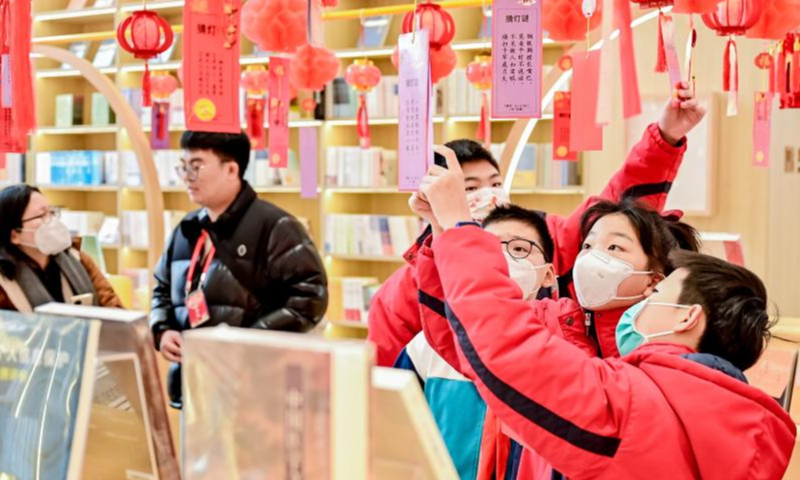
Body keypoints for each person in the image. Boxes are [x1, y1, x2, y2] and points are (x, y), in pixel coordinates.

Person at [415, 150, 796, 480]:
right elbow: (464, 336)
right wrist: (443, 233)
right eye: (587, 246)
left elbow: (502, 342)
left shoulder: (634, 396)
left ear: (680, 310)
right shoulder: (725, 403)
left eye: (614, 248)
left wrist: (460, 228)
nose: (591, 259)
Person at [368, 82, 706, 367]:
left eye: (494, 183)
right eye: (468, 188)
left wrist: (664, 139)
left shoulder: (546, 238)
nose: (488, 195)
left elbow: (619, 208)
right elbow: (396, 372)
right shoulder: (412, 282)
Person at [394, 204, 595, 480]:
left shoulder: (564, 349)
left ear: (548, 274)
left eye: (520, 249)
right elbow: (394, 428)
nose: (504, 258)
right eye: (491, 248)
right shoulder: (427, 346)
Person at [151, 131, 328, 409]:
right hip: (192, 386)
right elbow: (161, 286)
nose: (187, 176)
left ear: (231, 169)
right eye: (183, 166)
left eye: (197, 166)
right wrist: (162, 330)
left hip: (254, 392)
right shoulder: (187, 229)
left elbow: (310, 298)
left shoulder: (276, 227)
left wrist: (247, 344)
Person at [0, 184, 123, 311]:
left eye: (52, 212)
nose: (52, 221)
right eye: (41, 215)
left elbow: (113, 307)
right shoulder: (3, 281)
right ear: (15, 235)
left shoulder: (77, 258)